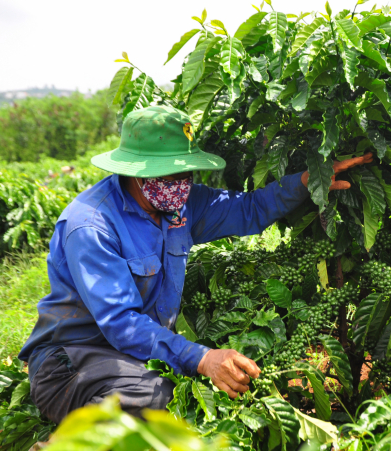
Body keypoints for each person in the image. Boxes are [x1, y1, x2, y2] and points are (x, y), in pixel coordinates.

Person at [18, 105, 373, 423]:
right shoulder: (91, 225)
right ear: (137, 171)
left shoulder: (180, 206)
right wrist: (202, 358)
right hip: (72, 362)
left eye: (186, 172)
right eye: (171, 175)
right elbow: (121, 323)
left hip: (134, 358)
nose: (182, 184)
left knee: (188, 398)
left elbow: (248, 210)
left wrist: (306, 182)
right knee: (159, 397)